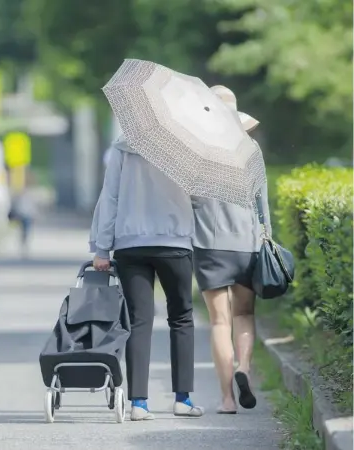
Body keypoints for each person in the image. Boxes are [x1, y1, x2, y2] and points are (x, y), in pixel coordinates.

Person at [90, 137, 204, 421]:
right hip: (175, 241)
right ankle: (182, 399)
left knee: (139, 321)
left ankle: (139, 403)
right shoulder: (185, 144)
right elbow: (200, 197)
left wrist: (102, 248)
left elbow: (110, 196)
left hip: (130, 243)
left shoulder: (122, 146)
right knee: (181, 318)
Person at [191, 85, 270, 414]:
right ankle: (244, 368)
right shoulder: (250, 149)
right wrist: (266, 237)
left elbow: (189, 200)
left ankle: (226, 400)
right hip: (246, 243)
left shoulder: (195, 149)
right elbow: (262, 204)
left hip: (209, 244)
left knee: (220, 322)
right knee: (244, 315)